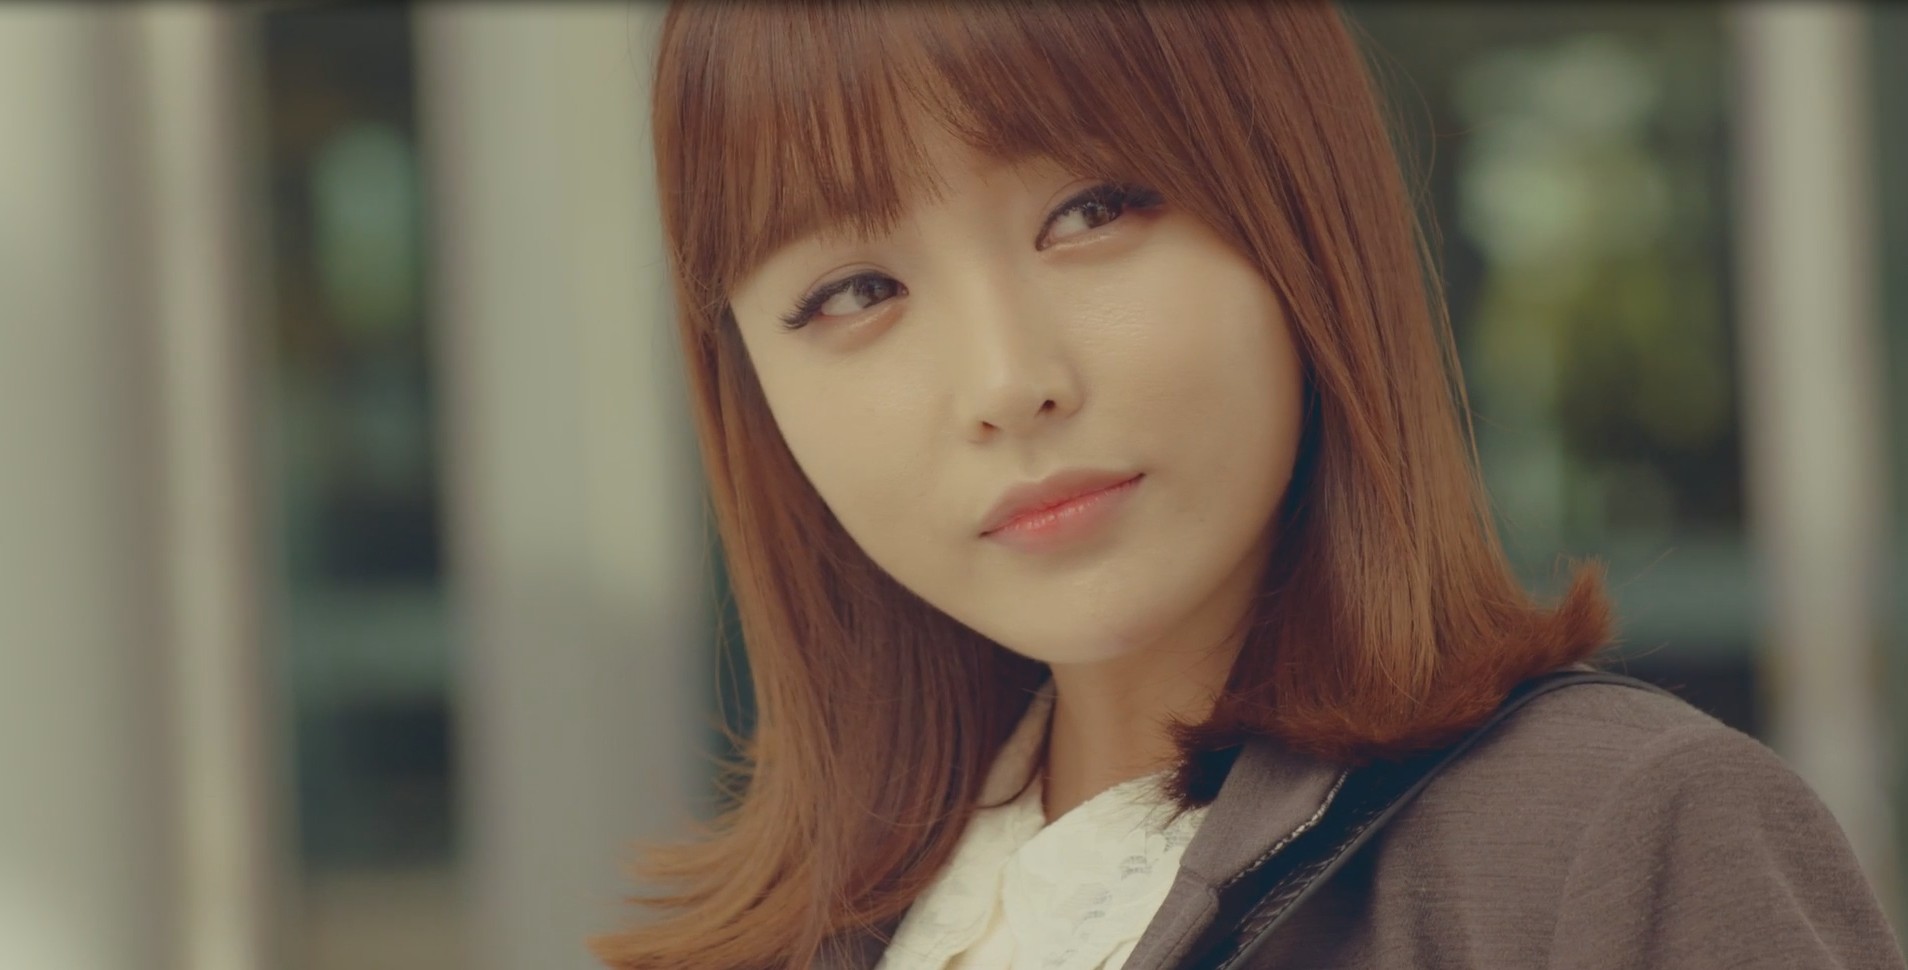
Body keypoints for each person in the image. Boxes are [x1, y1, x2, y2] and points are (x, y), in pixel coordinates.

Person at [591, 2, 1907, 968]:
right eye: (856, 290)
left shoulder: (1612, 847)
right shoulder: (799, 940)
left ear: (1299, 208)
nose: (1006, 379)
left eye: (1092, 210)